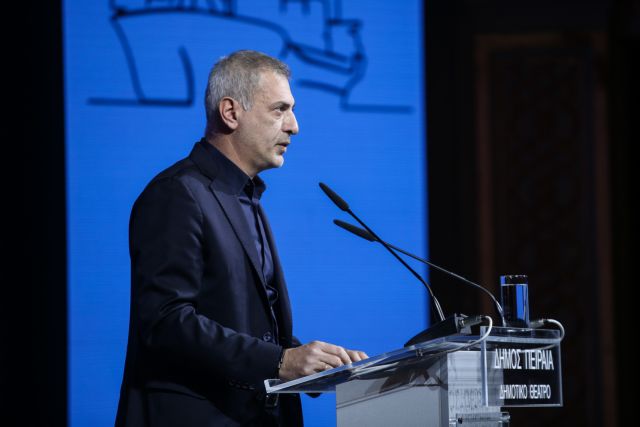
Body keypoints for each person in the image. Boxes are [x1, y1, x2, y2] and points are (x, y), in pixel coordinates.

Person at [115, 50, 367, 427]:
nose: (294, 126)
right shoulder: (176, 193)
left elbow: (249, 327)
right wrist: (279, 362)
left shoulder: (246, 197)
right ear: (231, 112)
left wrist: (312, 363)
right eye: (280, 110)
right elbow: (166, 322)